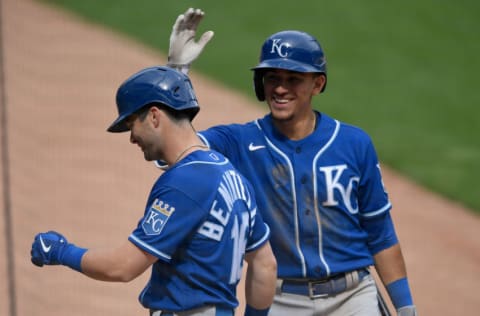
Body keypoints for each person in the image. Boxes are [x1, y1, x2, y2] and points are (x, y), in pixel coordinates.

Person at [163, 8, 417, 316]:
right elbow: (176, 151)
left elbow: (380, 232)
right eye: (272, 78)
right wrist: (176, 75)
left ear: (317, 84)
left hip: (353, 298)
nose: (281, 89)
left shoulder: (353, 143)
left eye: (293, 79)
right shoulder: (239, 142)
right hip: (281, 300)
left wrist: (405, 307)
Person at [30, 66, 277, 316]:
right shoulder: (232, 177)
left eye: (131, 124)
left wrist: (61, 252)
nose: (131, 138)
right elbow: (265, 264)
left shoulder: (184, 181)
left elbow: (123, 267)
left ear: (155, 116)